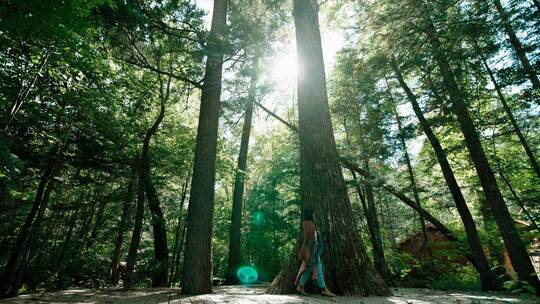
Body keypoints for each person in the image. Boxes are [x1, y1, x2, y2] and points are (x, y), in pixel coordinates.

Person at [295, 208, 336, 297]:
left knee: (309, 268)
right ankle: (323, 289)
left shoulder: (306, 223)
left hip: (311, 251)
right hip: (311, 251)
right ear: (311, 215)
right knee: (319, 268)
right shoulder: (309, 224)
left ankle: (300, 285)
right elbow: (308, 239)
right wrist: (305, 252)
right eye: (313, 215)